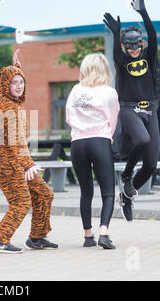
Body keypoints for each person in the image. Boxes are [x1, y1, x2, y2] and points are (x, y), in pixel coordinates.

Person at [0, 49, 57, 254]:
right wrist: (28, 165)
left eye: (21, 82)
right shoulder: (10, 108)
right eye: (13, 83)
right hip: (6, 163)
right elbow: (17, 142)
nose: (18, 86)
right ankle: (0, 240)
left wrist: (16, 68)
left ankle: (37, 237)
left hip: (14, 159)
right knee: (21, 201)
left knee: (44, 194)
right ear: (5, 86)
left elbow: (16, 144)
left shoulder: (10, 101)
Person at [103, 0, 160, 222]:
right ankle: (126, 176)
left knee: (151, 165)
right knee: (143, 140)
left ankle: (127, 196)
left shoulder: (149, 56)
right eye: (130, 46)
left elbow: (154, 36)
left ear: (142, 44)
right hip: (128, 108)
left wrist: (143, 13)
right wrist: (117, 33)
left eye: (138, 45)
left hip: (150, 109)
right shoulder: (122, 61)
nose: (135, 49)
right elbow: (116, 53)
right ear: (126, 47)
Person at [66, 53, 120, 249]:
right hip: (100, 140)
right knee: (107, 192)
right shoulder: (109, 92)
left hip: (78, 142)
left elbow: (69, 118)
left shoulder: (75, 90)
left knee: (85, 191)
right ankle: (104, 232)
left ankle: (88, 236)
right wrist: (107, 137)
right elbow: (113, 120)